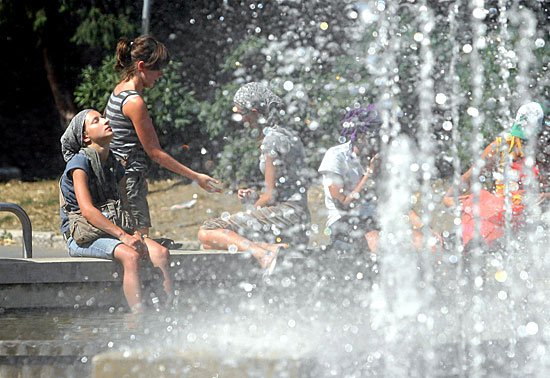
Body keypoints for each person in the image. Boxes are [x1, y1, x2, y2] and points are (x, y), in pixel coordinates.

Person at [106, 35, 220, 237]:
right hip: (129, 178)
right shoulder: (134, 102)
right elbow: (155, 153)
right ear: (141, 66)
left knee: (130, 241)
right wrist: (196, 177)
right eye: (157, 69)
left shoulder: (119, 89)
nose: (160, 74)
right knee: (140, 239)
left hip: (118, 174)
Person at [60, 109, 172, 312]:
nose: (105, 120)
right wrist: (124, 236)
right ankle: (137, 318)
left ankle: (168, 313)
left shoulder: (114, 164)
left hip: (113, 229)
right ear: (85, 136)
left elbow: (126, 204)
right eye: (97, 121)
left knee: (161, 253)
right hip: (84, 236)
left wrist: (136, 232)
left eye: (103, 117)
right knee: (131, 256)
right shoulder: (79, 164)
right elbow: (87, 211)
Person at [197, 82, 311, 272]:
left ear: (255, 112)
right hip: (298, 215)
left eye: (242, 113)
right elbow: (282, 188)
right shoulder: (289, 135)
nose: (242, 119)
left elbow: (271, 195)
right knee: (213, 243)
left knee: (208, 232)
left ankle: (264, 254)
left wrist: (253, 208)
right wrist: (254, 199)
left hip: (287, 216)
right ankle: (271, 249)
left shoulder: (271, 141)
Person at [318, 106, 433, 253]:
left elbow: (393, 201)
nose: (379, 139)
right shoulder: (336, 156)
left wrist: (423, 227)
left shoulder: (376, 158)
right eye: (374, 134)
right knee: (380, 242)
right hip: (345, 221)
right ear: (359, 135)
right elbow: (343, 204)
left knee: (424, 242)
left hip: (376, 220)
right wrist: (369, 174)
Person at [443, 101, 548, 247]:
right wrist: (451, 199)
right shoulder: (501, 147)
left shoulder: (545, 154)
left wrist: (546, 197)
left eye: (528, 139)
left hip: (530, 219)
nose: (523, 144)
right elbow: (470, 176)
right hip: (499, 214)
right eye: (521, 138)